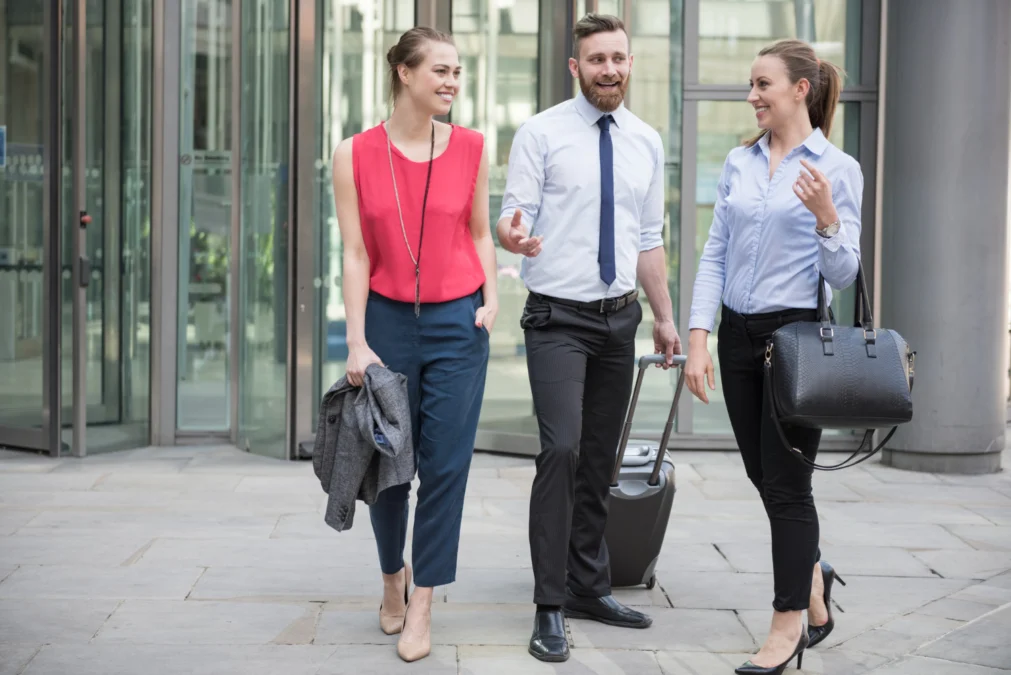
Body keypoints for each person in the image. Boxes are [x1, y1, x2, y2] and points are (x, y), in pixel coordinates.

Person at [498, 13, 681, 664]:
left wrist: (663, 314)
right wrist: (511, 237)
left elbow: (647, 238)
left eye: (618, 59)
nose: (609, 69)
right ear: (575, 68)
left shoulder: (646, 141)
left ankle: (587, 586)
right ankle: (549, 605)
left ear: (630, 64)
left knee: (600, 457)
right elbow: (509, 216)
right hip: (556, 317)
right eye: (596, 59)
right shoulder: (540, 133)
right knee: (562, 450)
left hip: (618, 319)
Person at [685, 39, 862, 675]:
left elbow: (843, 273)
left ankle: (789, 622)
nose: (752, 95)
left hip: (795, 343)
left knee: (787, 488)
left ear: (800, 90)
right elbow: (714, 253)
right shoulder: (740, 161)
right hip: (736, 337)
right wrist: (700, 336)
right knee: (764, 476)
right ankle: (814, 576)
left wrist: (825, 219)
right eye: (751, 84)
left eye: (763, 84)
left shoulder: (838, 169)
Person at [330, 26, 497, 663]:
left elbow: (480, 231)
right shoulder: (353, 154)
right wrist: (356, 342)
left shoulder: (475, 147)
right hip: (389, 324)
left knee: (446, 468)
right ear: (404, 72)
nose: (453, 82)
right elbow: (353, 252)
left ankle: (423, 601)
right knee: (390, 469)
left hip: (459, 324)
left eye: (458, 72)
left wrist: (491, 298)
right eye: (441, 71)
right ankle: (390, 576)